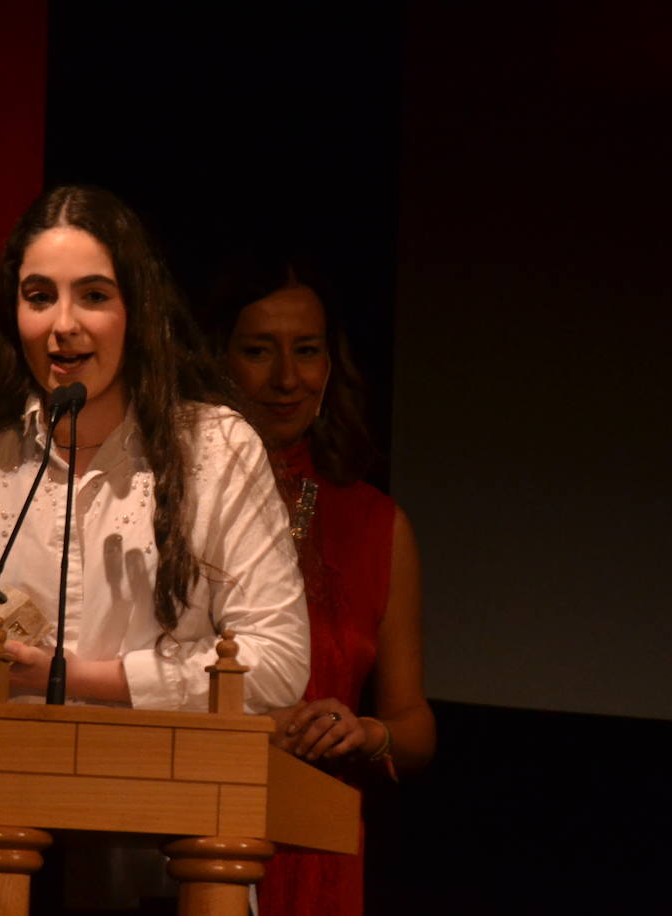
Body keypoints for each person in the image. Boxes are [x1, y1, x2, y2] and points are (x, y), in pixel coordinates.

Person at [0, 186, 310, 721]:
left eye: (94, 296)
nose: (63, 325)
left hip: (163, 786)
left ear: (137, 310)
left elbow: (279, 663)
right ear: (13, 312)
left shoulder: (217, 449)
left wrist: (73, 677)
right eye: (39, 297)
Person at [208, 254, 436, 916]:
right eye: (258, 351)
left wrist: (364, 735)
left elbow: (414, 724)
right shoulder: (176, 501)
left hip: (321, 843)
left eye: (306, 352)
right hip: (197, 828)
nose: (286, 379)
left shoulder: (376, 523)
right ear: (219, 360)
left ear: (330, 366)